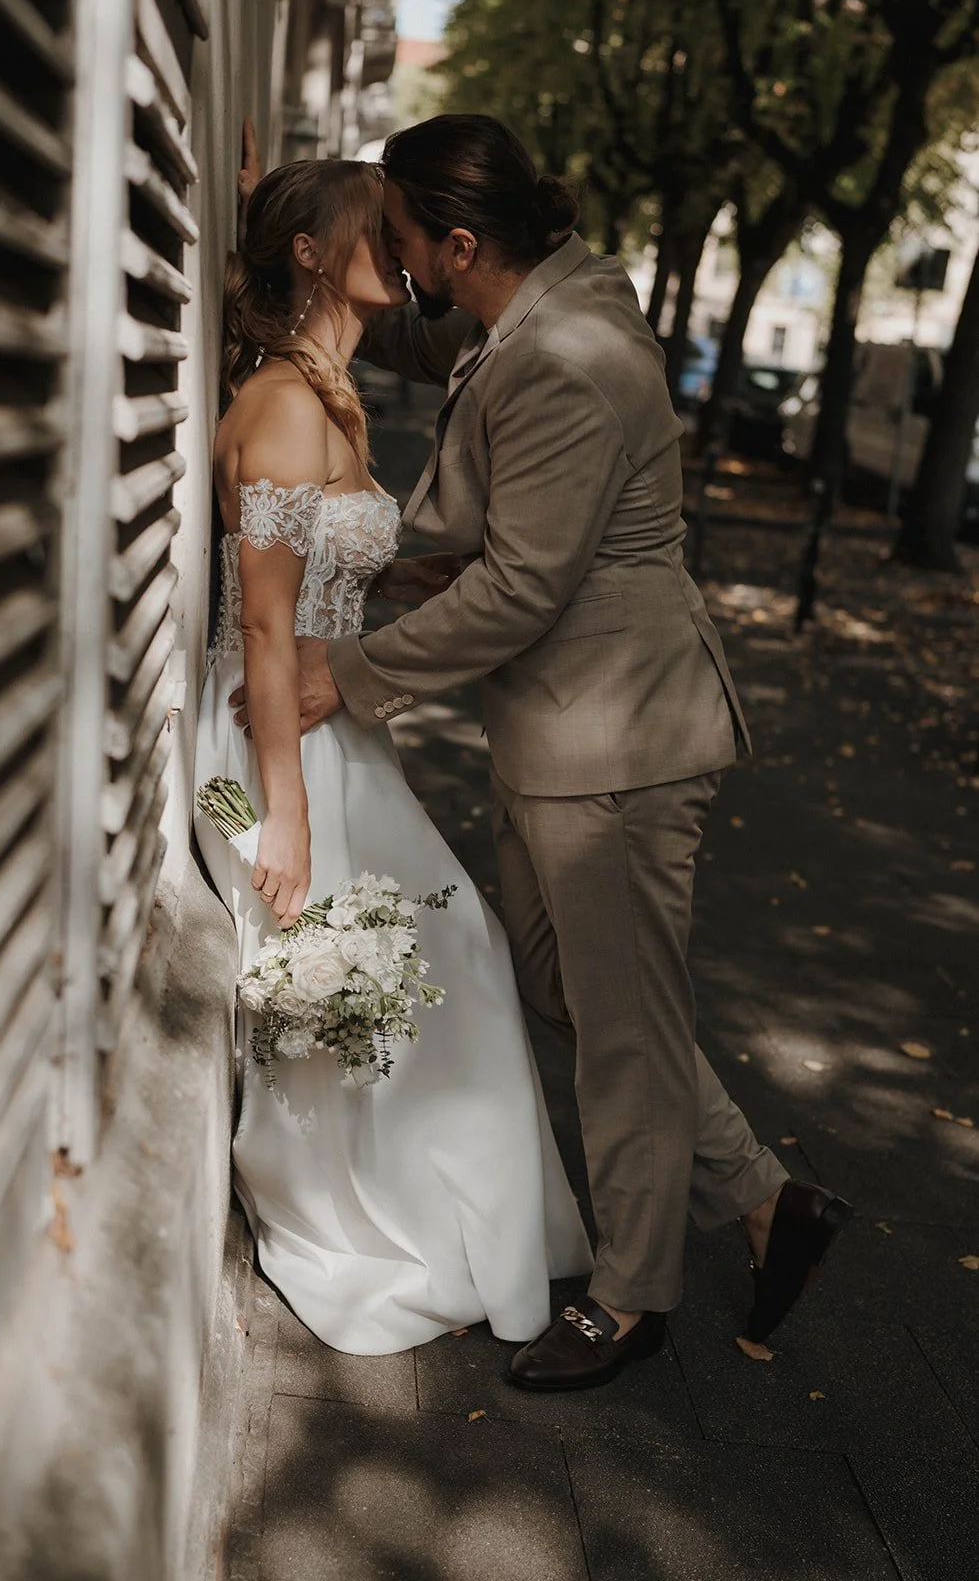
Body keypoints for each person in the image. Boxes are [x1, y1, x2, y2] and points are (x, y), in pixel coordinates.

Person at [235, 115, 852, 1391]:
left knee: (620, 1020)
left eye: (403, 239)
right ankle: (761, 1198)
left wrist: (340, 674)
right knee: (568, 988)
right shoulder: (533, 303)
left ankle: (631, 1298)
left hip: (612, 732)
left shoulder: (564, 353)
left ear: (461, 244)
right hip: (555, 728)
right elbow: (450, 421)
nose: (396, 263)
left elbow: (522, 585)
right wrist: (276, 258)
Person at [193, 156, 592, 1357]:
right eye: (380, 221)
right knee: (424, 943)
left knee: (446, 942)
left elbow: (325, 571)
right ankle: (373, 1222)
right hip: (281, 739)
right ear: (310, 253)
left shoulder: (331, 391)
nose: (405, 239)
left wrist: (415, 575)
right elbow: (263, 622)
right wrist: (287, 815)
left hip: (329, 723)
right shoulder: (277, 403)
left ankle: (458, 1223)